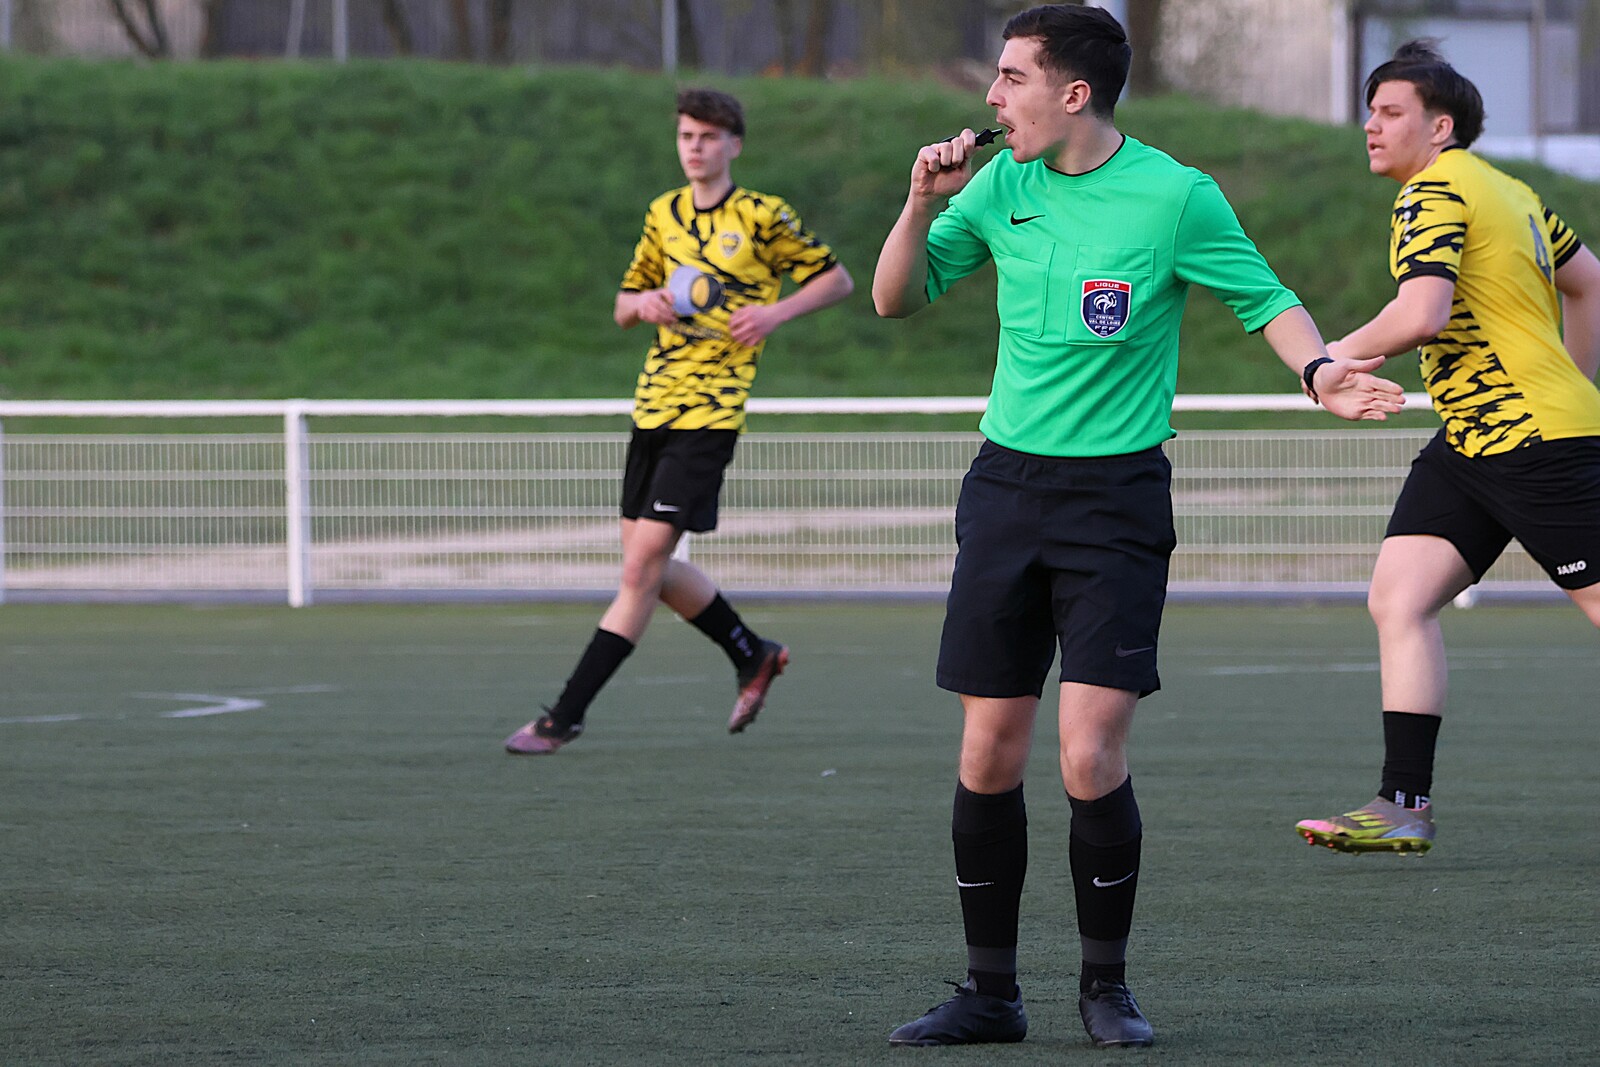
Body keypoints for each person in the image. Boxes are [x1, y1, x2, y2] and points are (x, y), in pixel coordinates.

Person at [870, 3, 1404, 1050]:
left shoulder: (1175, 195)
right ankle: (990, 993)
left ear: (1073, 93)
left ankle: (1105, 986)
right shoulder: (997, 185)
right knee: (988, 749)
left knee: (1089, 752)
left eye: (1011, 76)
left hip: (1115, 501)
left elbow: (1265, 298)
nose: (991, 95)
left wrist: (1319, 370)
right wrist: (918, 202)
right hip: (1005, 489)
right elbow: (897, 298)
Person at [1294, 42, 1600, 853]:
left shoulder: (1432, 190)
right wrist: (1571, 381)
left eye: (1390, 112)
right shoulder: (1510, 191)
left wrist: (1326, 358)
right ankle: (1402, 803)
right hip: (1475, 439)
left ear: (1440, 126)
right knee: (1399, 597)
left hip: (1528, 438)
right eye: (1370, 110)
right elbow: (1591, 281)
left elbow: (1422, 313)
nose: (1370, 125)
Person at [504, 88, 853, 755]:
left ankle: (564, 716)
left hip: (710, 412)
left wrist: (775, 313)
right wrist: (645, 305)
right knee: (651, 570)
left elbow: (836, 280)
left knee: (640, 569)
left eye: (709, 136)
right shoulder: (663, 214)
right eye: (687, 136)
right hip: (654, 405)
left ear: (734, 145)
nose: (695, 147)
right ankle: (753, 654)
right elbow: (622, 304)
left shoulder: (762, 215)